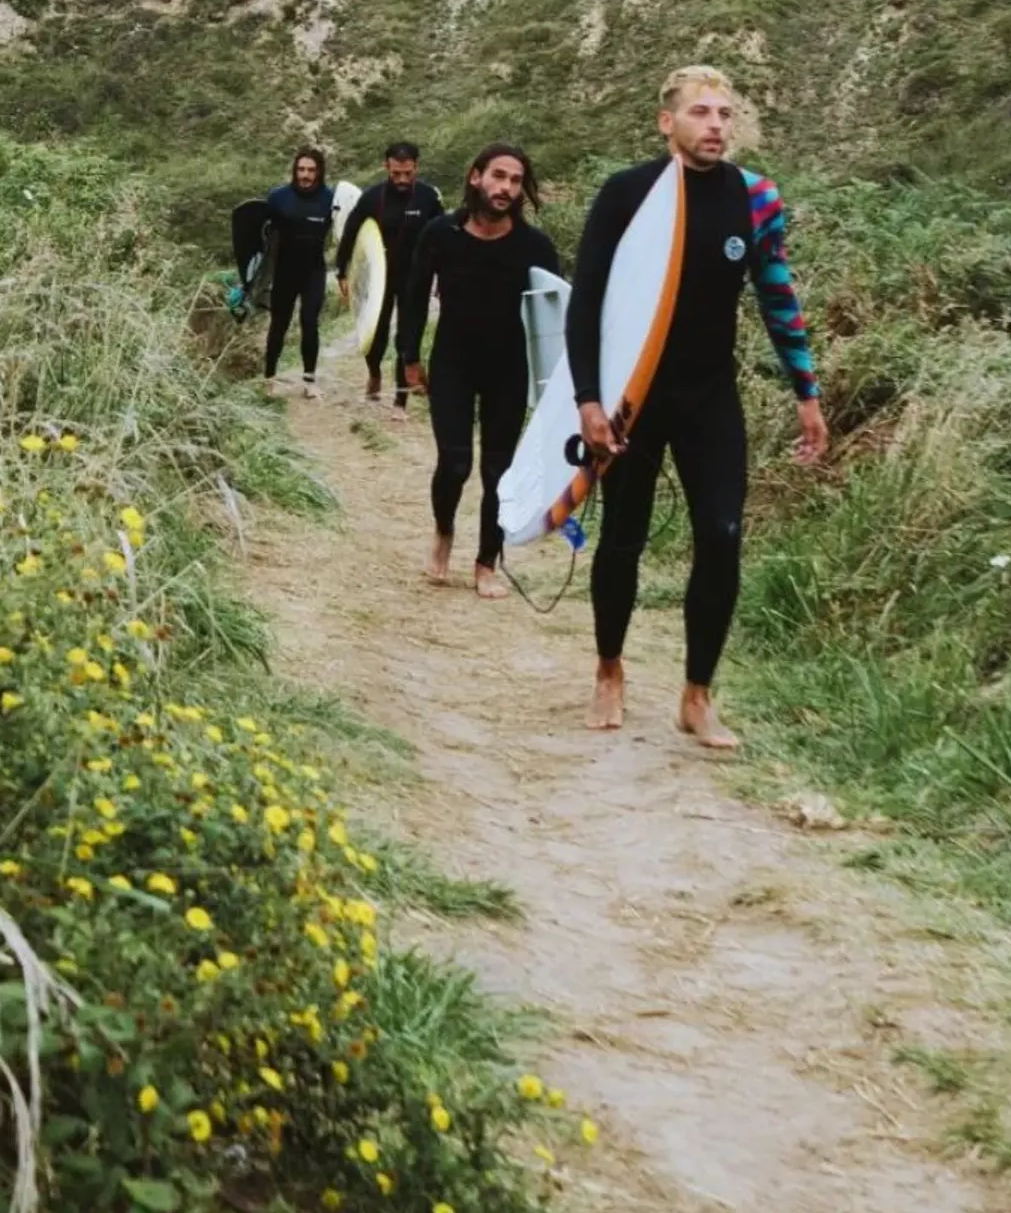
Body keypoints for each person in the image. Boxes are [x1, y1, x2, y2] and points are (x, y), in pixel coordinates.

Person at [564, 65, 829, 752]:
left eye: (725, 114)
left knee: (722, 535)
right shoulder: (628, 194)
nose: (717, 125)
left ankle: (697, 695)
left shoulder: (755, 198)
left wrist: (807, 393)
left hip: (711, 395)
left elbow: (777, 297)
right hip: (636, 398)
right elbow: (585, 300)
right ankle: (609, 670)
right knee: (623, 534)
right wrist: (589, 400)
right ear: (667, 122)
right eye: (702, 112)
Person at [391, 144, 558, 594]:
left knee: (498, 471)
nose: (506, 188)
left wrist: (558, 388)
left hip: (508, 368)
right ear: (475, 177)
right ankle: (444, 531)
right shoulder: (440, 234)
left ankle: (487, 563)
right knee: (455, 462)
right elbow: (412, 295)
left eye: (516, 180)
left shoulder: (534, 247)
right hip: (452, 363)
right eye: (499, 176)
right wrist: (409, 357)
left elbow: (554, 321)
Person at [336, 141, 446, 405]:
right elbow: (351, 233)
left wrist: (443, 274)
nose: (402, 179)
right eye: (396, 173)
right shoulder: (373, 197)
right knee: (376, 335)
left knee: (408, 338)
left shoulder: (428, 197)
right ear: (386, 167)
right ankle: (374, 372)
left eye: (408, 173)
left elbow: (442, 239)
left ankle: (400, 401)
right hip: (379, 278)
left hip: (415, 277)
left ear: (416, 167)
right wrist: (342, 270)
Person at [257, 149, 338, 392]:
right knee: (279, 324)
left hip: (313, 270)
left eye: (311, 170)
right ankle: (269, 378)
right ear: (295, 170)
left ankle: (309, 380)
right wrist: (254, 277)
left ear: (319, 172)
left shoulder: (330, 199)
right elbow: (260, 236)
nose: (305, 175)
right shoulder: (278, 198)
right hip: (284, 270)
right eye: (301, 169)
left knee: (310, 322)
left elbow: (346, 233)